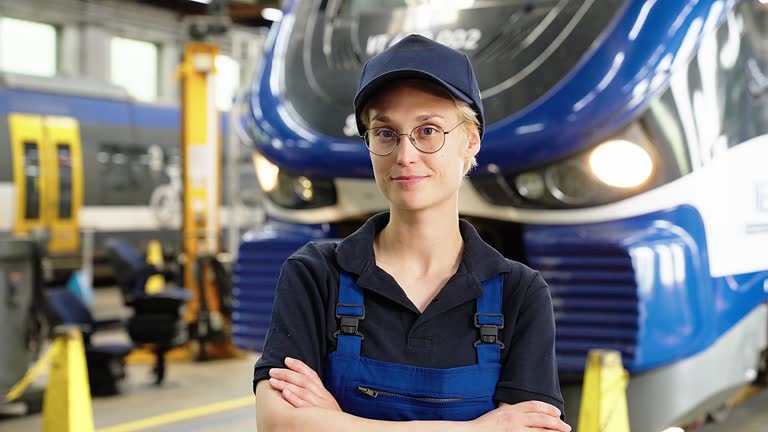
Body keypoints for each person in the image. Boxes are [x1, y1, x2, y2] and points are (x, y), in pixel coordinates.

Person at [253, 34, 570, 432]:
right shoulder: (316, 275)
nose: (405, 156)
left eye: (428, 131)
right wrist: (475, 429)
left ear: (470, 141)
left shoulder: (519, 294)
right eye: (386, 132)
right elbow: (279, 425)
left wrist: (336, 421)